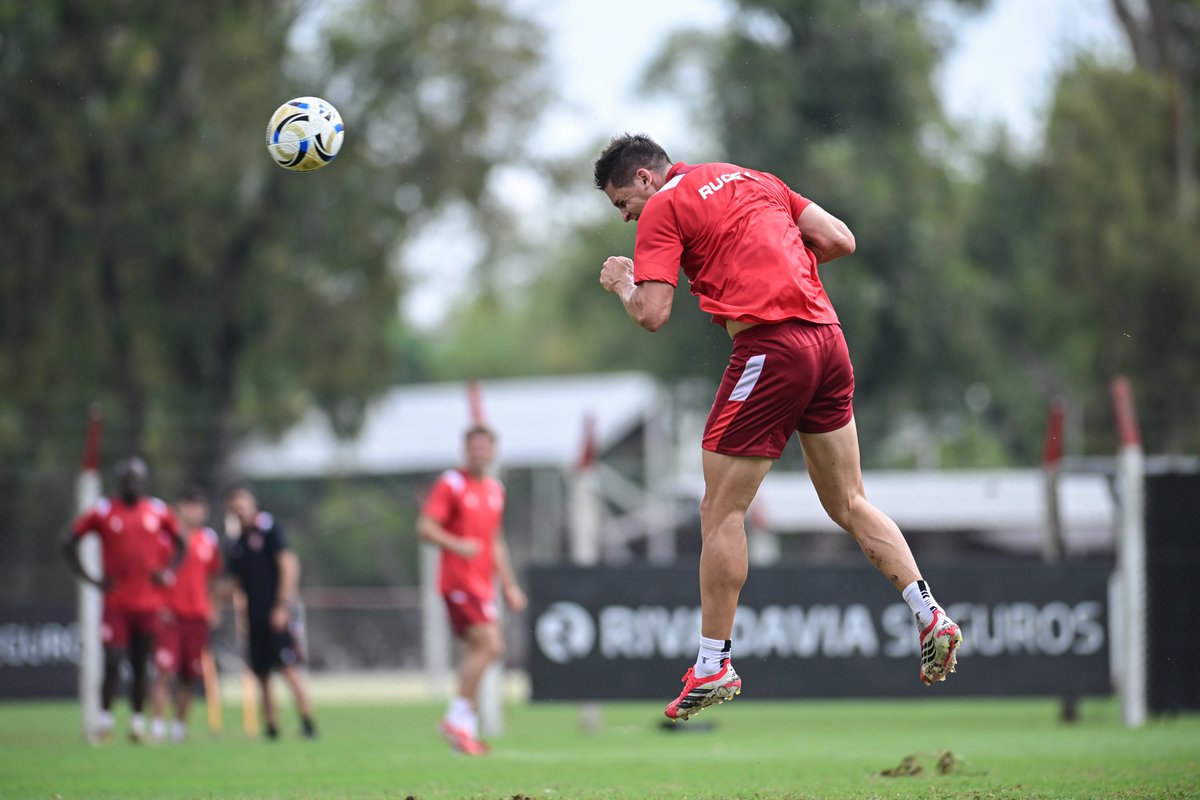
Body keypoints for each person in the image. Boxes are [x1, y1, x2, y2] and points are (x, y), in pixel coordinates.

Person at [592, 134, 964, 721]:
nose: (626, 215)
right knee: (848, 500)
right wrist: (778, 263)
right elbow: (840, 238)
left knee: (720, 509)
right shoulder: (751, 177)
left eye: (621, 203)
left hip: (771, 345)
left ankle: (713, 663)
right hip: (828, 339)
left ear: (644, 178)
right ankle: (930, 614)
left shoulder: (664, 205)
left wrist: (622, 282)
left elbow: (653, 314)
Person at [417, 424, 527, 755]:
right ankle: (456, 716)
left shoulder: (495, 489)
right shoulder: (451, 484)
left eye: (485, 447)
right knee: (491, 646)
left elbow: (494, 541)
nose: (479, 453)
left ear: (493, 451)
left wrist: (508, 585)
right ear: (465, 450)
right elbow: (424, 527)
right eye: (474, 447)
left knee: (475, 654)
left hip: (482, 585)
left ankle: (465, 731)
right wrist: (456, 544)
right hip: (458, 583)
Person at [62, 456, 184, 742]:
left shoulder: (157, 510)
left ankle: (137, 722)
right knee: (113, 659)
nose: (133, 484)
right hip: (116, 603)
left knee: (141, 663)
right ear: (119, 482)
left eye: (138, 479)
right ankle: (104, 719)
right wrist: (91, 578)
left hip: (148, 604)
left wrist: (167, 572)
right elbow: (68, 540)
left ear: (144, 482)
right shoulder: (104, 511)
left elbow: (181, 543)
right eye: (128, 479)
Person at [223, 484, 316, 740]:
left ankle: (308, 722)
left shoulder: (268, 529)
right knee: (261, 673)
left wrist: (282, 606)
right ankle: (272, 726)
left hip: (276, 612)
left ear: (252, 505)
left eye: (243, 506)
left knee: (288, 668)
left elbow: (288, 565)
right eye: (235, 508)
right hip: (254, 616)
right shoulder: (235, 543)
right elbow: (235, 583)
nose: (240, 512)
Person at [151, 485, 222, 743]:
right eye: (189, 505)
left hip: (197, 616)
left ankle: (179, 728)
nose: (195, 511)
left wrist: (213, 606)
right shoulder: (166, 538)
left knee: (189, 676)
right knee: (164, 672)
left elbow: (213, 576)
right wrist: (160, 605)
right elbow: (154, 576)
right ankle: (158, 727)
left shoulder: (208, 539)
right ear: (179, 507)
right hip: (170, 617)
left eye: (199, 505)